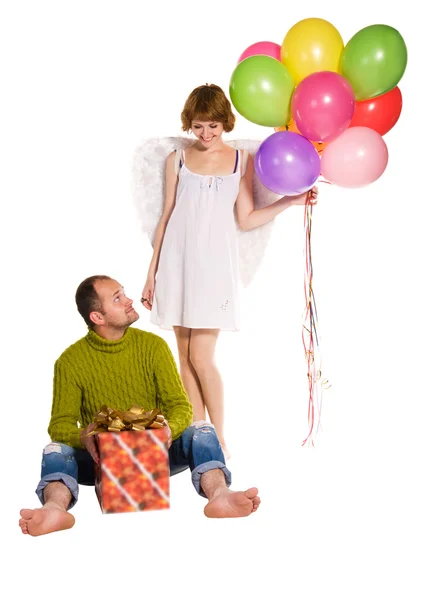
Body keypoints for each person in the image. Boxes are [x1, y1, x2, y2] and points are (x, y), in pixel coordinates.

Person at [141, 83, 318, 458]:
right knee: (184, 356)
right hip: (175, 262)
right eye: (199, 126)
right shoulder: (176, 158)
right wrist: (151, 272)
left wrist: (292, 200)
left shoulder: (241, 161)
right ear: (190, 123)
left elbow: (247, 218)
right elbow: (167, 214)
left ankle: (218, 441)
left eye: (213, 127)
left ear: (225, 123)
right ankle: (196, 435)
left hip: (214, 268)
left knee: (203, 357)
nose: (205, 135)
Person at [18, 275, 261, 536]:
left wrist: (170, 429)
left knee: (201, 429)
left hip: (155, 455)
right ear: (97, 317)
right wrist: (85, 435)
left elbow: (180, 406)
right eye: (117, 298)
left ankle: (220, 495)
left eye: (123, 293)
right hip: (102, 461)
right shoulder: (69, 362)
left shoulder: (153, 347)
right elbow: (59, 425)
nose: (129, 300)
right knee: (54, 450)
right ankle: (55, 508)